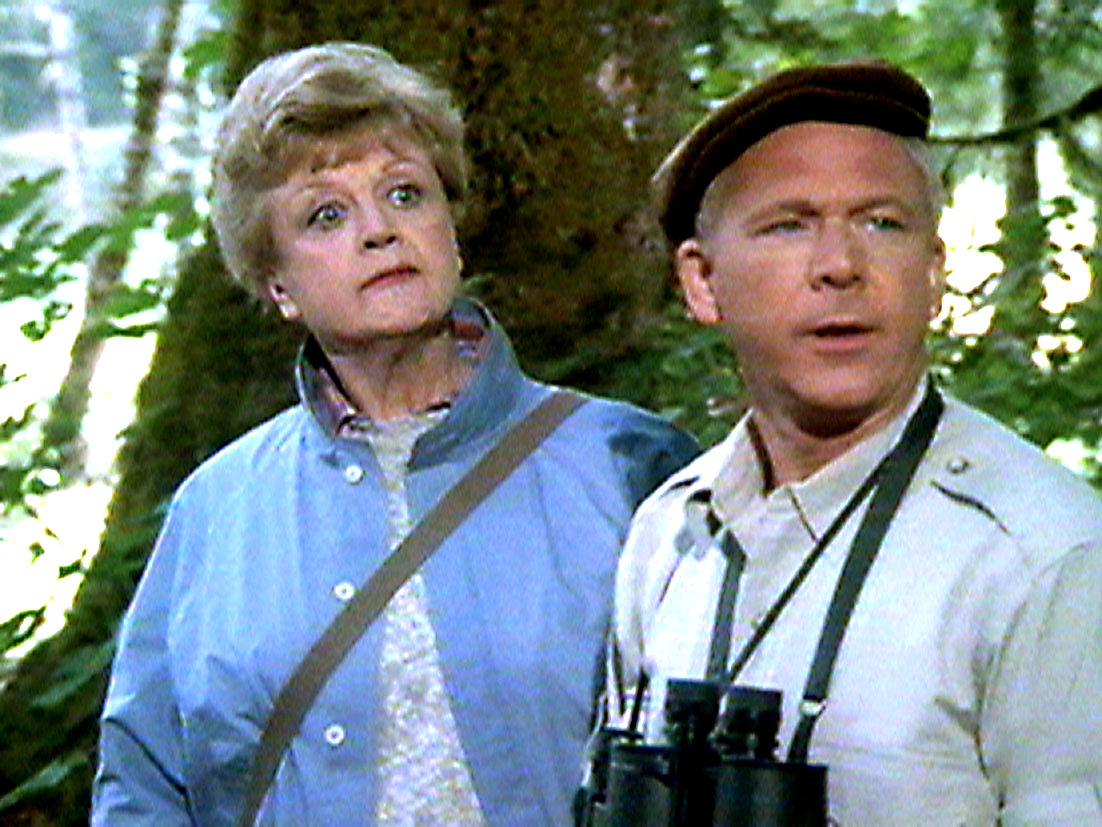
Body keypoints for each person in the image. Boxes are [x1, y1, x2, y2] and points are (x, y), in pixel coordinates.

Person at [91, 42, 697, 826]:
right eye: (326, 214)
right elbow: (142, 786)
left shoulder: (628, 463)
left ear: (452, 230)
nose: (379, 230)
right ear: (278, 286)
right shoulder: (216, 507)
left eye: (405, 193)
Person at [599, 60, 1102, 824]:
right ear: (702, 282)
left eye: (881, 223)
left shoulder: (1041, 557)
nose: (840, 266)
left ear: (933, 273)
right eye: (789, 225)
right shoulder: (670, 535)